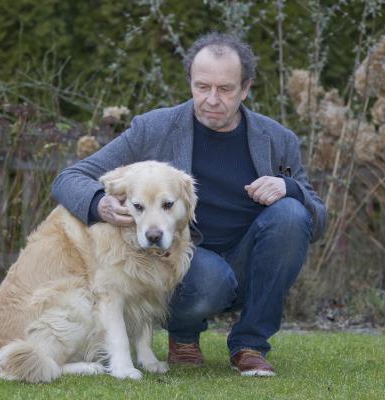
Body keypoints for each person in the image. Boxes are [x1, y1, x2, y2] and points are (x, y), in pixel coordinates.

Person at [51, 32, 327, 377]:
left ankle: (250, 345)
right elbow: (69, 178)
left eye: (225, 89)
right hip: (184, 263)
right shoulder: (153, 128)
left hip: (249, 261)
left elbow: (317, 221)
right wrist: (99, 204)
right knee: (209, 276)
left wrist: (289, 187)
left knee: (291, 213)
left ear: (245, 88)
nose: (212, 99)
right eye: (202, 87)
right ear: (190, 83)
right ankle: (183, 336)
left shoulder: (278, 140)